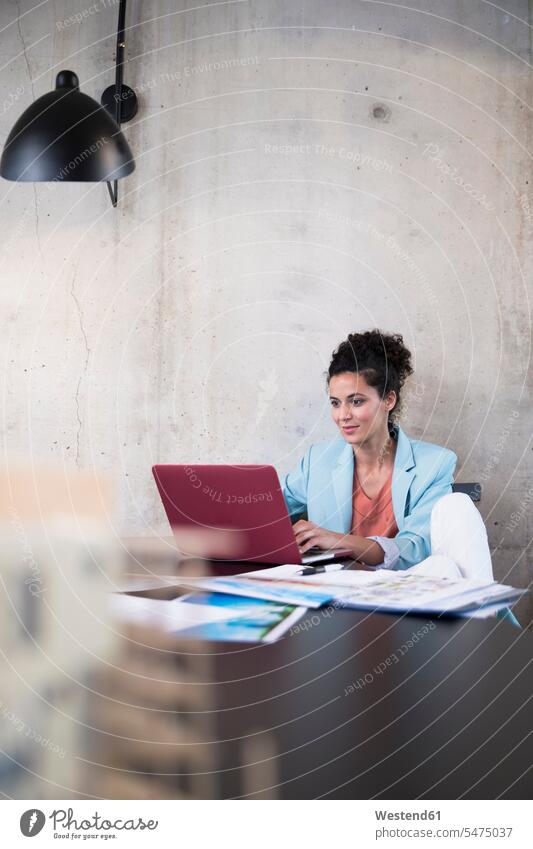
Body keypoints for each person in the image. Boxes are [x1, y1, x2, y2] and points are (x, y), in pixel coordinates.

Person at [281, 329, 520, 625]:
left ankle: (484, 629)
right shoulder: (317, 460)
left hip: (411, 592)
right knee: (444, 569)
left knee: (453, 523)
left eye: (356, 401)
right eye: (335, 402)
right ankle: (488, 635)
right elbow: (269, 512)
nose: (343, 415)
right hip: (341, 597)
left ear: (389, 400)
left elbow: (413, 547)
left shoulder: (435, 463)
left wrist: (338, 540)